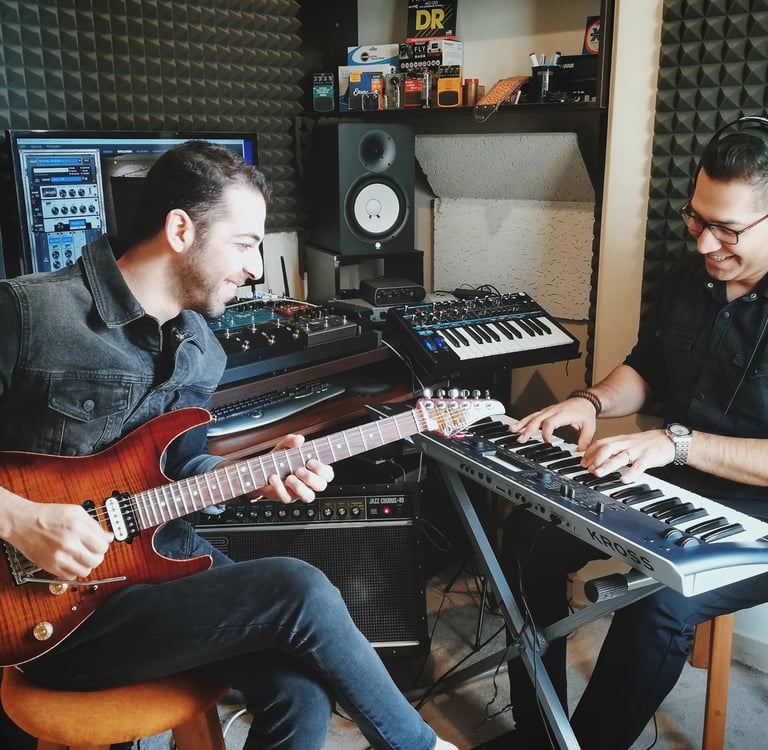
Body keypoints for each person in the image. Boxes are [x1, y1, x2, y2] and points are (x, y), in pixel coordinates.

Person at [0, 140, 457, 750]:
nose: (256, 269)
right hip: (50, 611)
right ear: (180, 230)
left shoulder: (201, 348)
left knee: (302, 689)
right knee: (297, 587)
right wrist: (20, 518)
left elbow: (177, 466)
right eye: (244, 245)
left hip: (164, 565)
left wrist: (253, 473)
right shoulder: (29, 314)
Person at [471, 115, 768, 750]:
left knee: (660, 603)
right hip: (678, 481)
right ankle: (541, 735)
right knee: (526, 540)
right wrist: (590, 402)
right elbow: (647, 369)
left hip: (760, 514)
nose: (705, 243)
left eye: (728, 229)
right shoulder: (690, 277)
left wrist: (676, 444)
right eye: (697, 219)